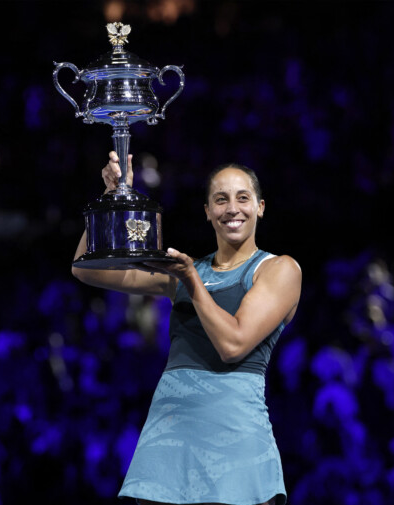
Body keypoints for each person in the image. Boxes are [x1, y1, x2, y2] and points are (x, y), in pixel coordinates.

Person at [72, 152, 302, 505]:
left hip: (235, 447)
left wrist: (192, 281)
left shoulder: (278, 269)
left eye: (243, 198)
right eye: (220, 199)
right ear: (207, 210)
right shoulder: (185, 271)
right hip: (168, 444)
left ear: (261, 207)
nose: (232, 208)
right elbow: (86, 269)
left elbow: (233, 344)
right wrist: (112, 198)